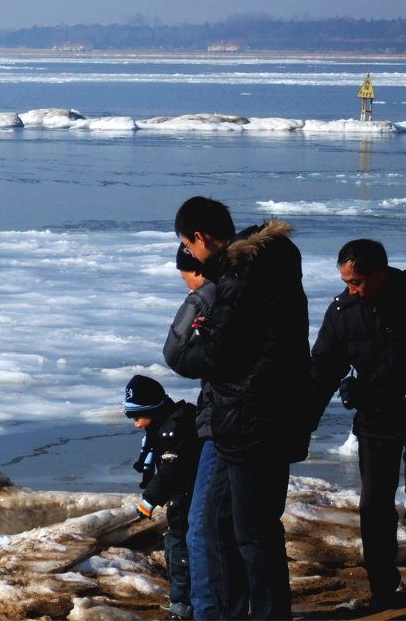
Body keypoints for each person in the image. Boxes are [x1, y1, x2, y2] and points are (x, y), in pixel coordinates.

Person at [170, 196, 311, 620]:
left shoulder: (240, 274)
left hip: (251, 418)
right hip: (254, 416)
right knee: (219, 525)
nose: (190, 255)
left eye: (188, 245)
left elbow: (224, 354)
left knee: (252, 532)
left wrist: (185, 355)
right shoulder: (265, 262)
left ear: (201, 237)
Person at [308, 239, 406, 610]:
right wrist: (302, 421)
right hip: (374, 415)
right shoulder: (343, 311)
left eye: (356, 281)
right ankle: (383, 589)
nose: (351, 289)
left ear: (379, 272)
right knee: (374, 503)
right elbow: (323, 367)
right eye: (346, 282)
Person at [163, 244, 219, 620]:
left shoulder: (215, 298)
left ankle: (205, 611)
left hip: (226, 423)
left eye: (189, 280)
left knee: (200, 527)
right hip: (233, 419)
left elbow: (176, 354)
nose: (189, 291)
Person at [124, 374, 200, 621]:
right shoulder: (168, 423)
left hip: (187, 498)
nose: (136, 424)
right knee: (175, 546)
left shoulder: (174, 429)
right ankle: (182, 600)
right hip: (183, 498)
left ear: (152, 410)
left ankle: (183, 607)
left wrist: (149, 500)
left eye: (137, 417)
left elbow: (172, 471)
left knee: (179, 550)